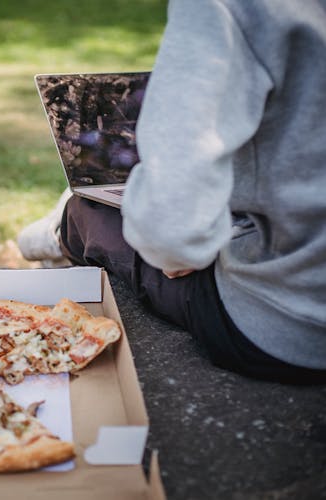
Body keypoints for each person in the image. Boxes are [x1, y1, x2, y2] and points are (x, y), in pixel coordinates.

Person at [18, 0, 326, 384]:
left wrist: (187, 240)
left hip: (286, 328)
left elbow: (170, 234)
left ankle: (57, 233)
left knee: (86, 211)